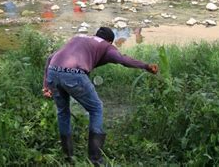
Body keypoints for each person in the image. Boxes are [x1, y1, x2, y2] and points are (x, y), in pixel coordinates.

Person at [43, 27, 158, 165]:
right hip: (73, 74)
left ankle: (68, 157)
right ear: (110, 41)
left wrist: (46, 85)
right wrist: (145, 66)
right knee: (96, 108)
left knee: (63, 112)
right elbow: (122, 59)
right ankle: (95, 159)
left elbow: (50, 58)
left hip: (53, 71)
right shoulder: (106, 46)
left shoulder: (80, 38)